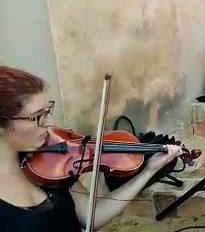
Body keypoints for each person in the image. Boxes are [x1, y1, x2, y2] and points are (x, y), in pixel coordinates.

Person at [0, 65, 183, 231]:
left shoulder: (51, 163)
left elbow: (92, 217)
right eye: (37, 117)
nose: (50, 123)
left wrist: (148, 171)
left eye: (48, 111)